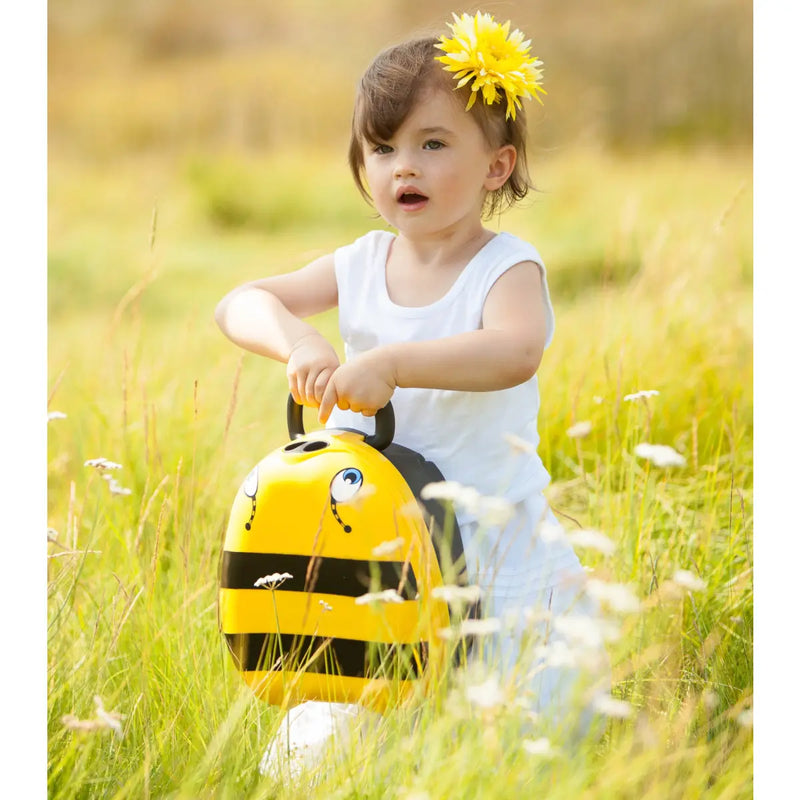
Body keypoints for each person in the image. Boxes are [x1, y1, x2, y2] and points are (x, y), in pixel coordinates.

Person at [215, 11, 608, 779]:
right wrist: (301, 341)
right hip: (385, 544)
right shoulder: (359, 265)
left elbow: (514, 351)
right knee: (362, 700)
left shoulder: (506, 268)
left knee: (532, 730)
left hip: (496, 544)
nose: (405, 167)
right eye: (383, 147)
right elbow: (239, 302)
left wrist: (393, 361)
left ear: (497, 166)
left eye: (433, 144)